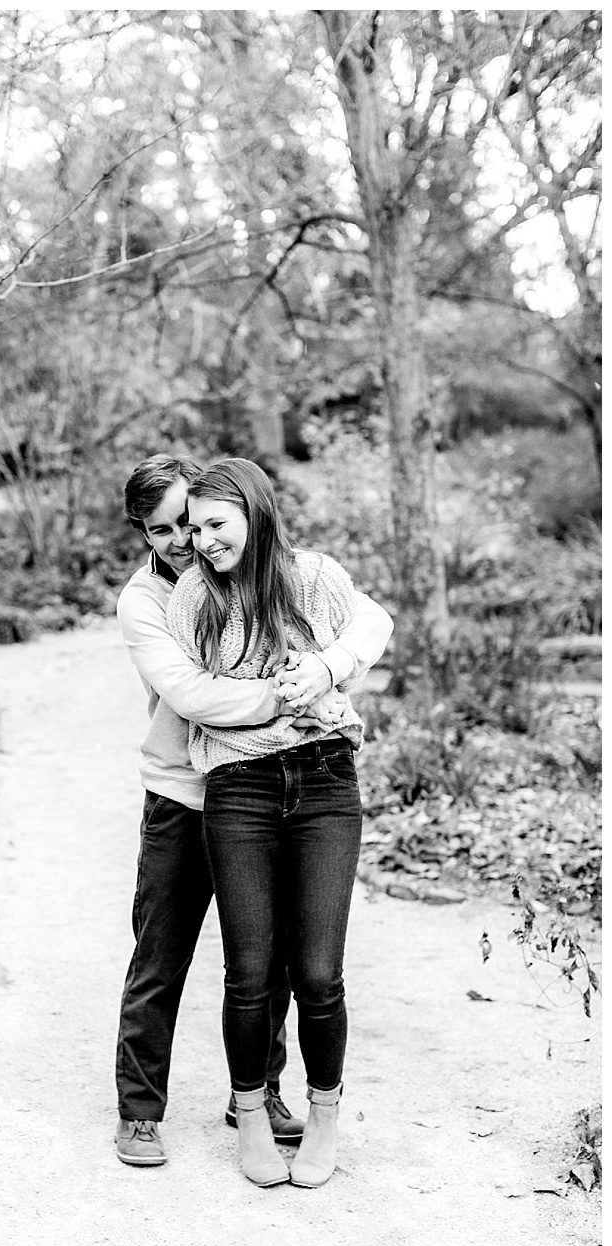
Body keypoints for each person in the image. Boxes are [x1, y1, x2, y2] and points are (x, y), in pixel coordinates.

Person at [112, 454, 391, 1168]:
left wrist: (323, 673)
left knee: (262, 957)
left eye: (194, 519)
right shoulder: (154, 601)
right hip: (186, 789)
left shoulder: (276, 571)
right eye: (164, 528)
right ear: (143, 533)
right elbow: (193, 696)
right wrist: (294, 696)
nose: (184, 539)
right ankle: (141, 1111)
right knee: (163, 954)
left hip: (279, 782)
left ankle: (262, 1094)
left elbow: (365, 621)